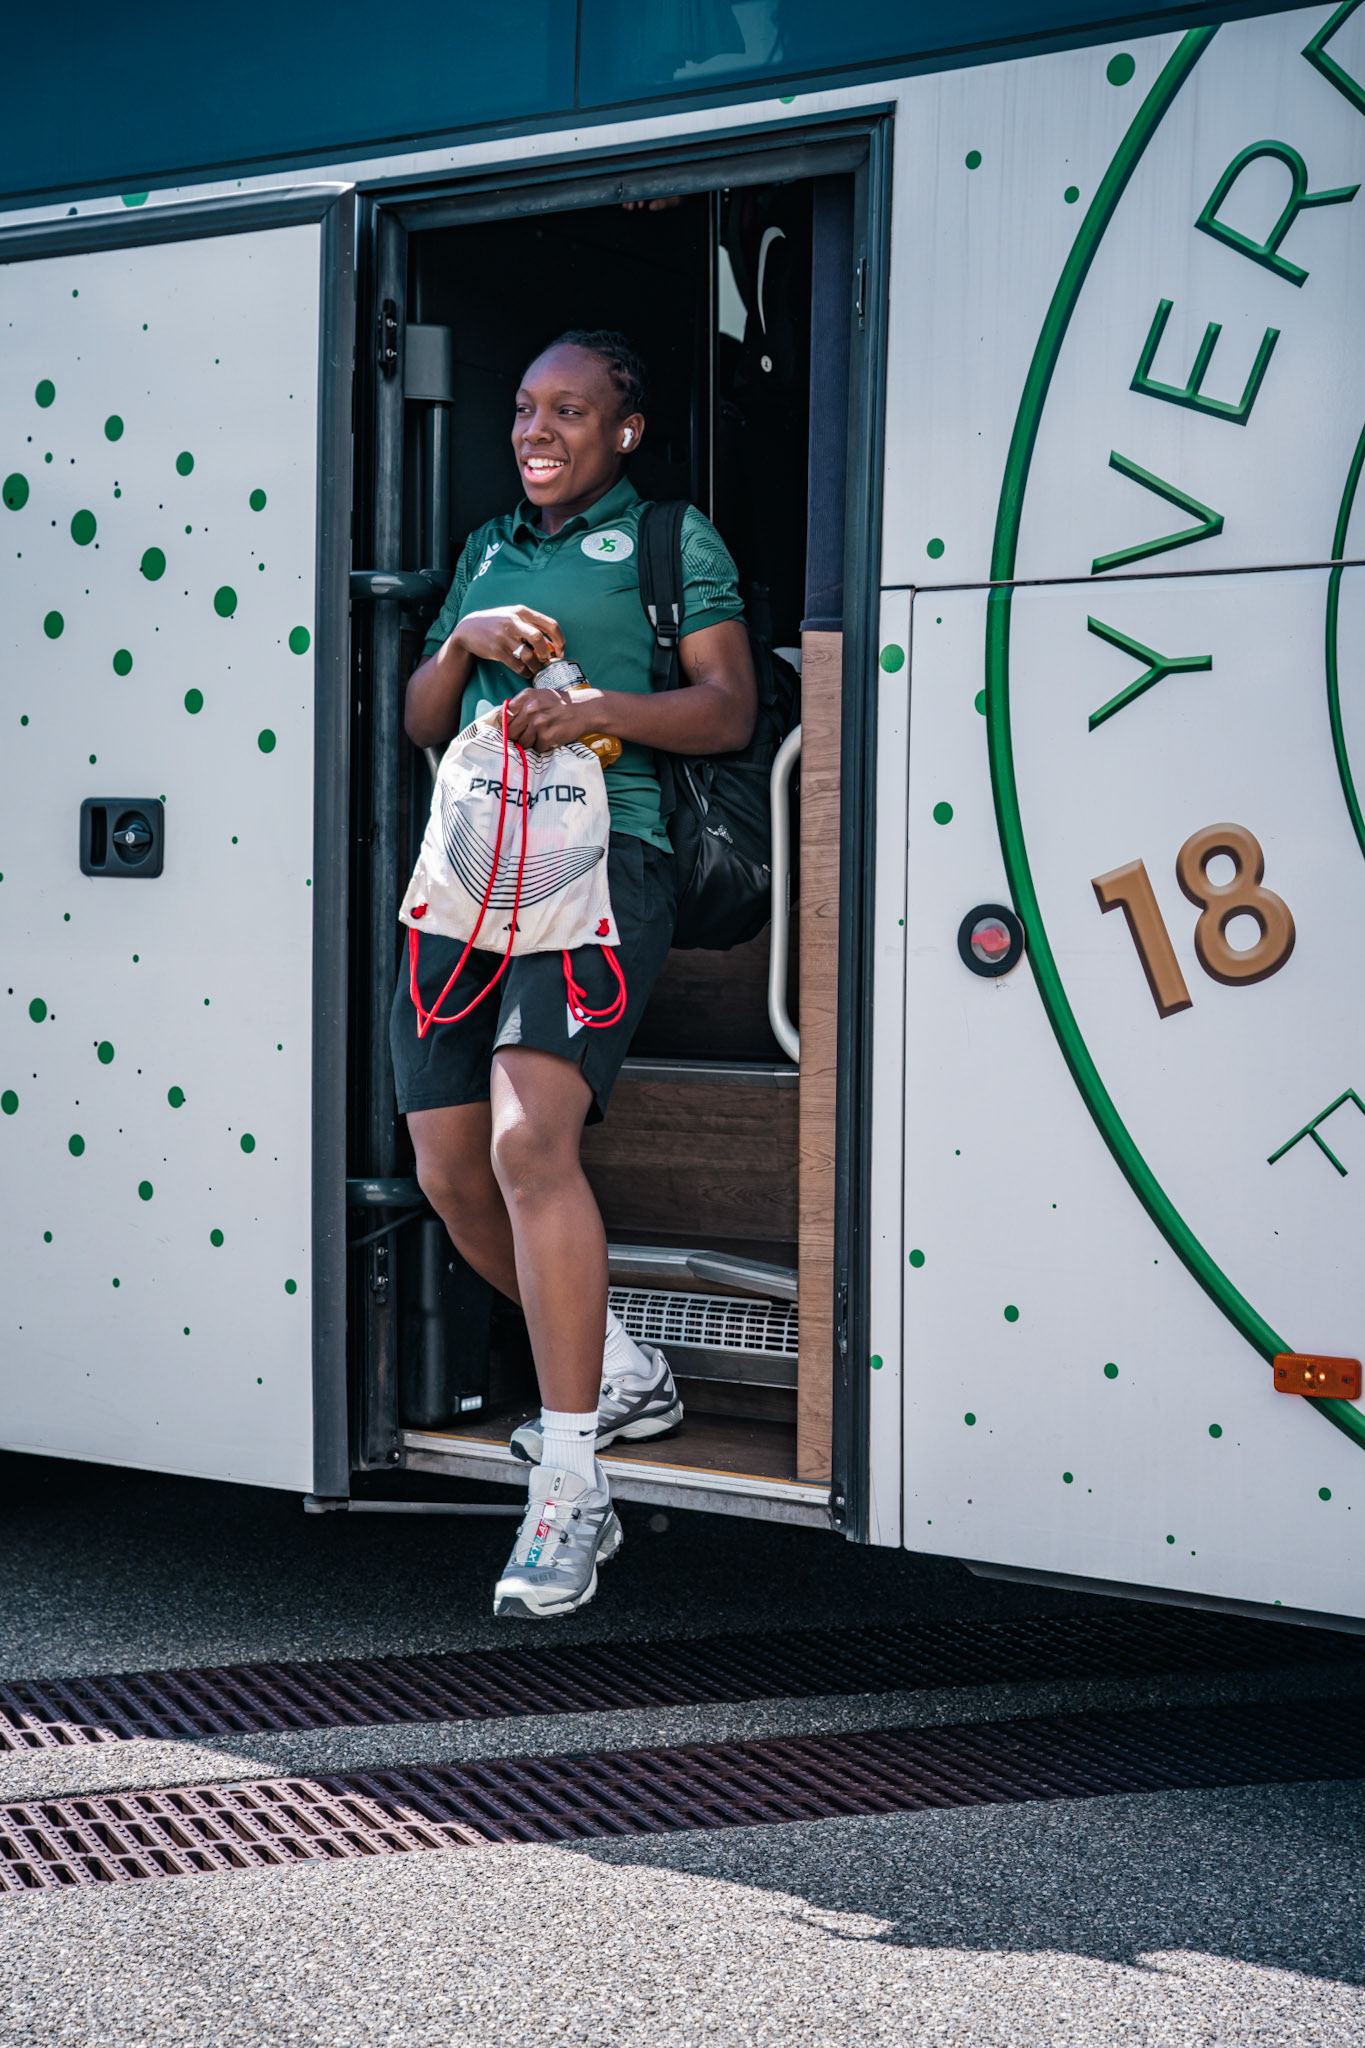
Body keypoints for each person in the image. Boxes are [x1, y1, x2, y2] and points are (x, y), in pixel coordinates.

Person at [393, 329, 756, 1618]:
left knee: (524, 1143)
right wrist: (465, 638)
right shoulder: (488, 549)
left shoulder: (671, 539)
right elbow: (423, 718)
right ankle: (616, 1367)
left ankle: (573, 1483)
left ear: (625, 431)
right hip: (469, 871)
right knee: (444, 1162)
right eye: (526, 408)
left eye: (570, 411)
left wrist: (595, 708)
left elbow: (727, 711)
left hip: (609, 866)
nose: (536, 429)